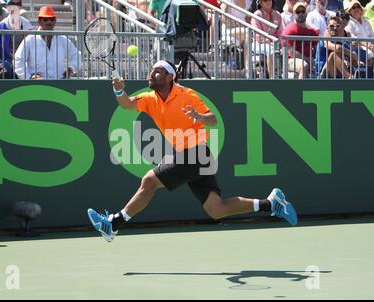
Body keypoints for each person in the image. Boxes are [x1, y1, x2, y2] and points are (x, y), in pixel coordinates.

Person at [87, 60, 298, 242]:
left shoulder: (186, 95)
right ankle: (271, 204)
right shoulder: (150, 98)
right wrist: (118, 90)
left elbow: (213, 119)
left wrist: (199, 116)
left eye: (158, 71)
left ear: (170, 77)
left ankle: (113, 223)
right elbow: (126, 104)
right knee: (217, 209)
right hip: (194, 158)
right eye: (152, 70)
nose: (152, 73)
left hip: (196, 154)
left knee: (149, 181)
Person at [14, 6, 80, 79]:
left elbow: (76, 55)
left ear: (55, 21)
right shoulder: (30, 39)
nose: (49, 22)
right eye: (45, 19)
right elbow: (18, 60)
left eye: (52, 19)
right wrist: (29, 77)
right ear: (39, 21)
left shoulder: (63, 39)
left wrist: (71, 69)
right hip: (36, 85)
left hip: (58, 83)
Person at [281, 2, 319, 78]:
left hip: (310, 60)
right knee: (303, 65)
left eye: (303, 11)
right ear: (294, 14)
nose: (300, 14)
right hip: (290, 60)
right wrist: (309, 60)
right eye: (298, 12)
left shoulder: (313, 31)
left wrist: (317, 60)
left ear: (306, 13)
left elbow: (316, 49)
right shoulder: (289, 30)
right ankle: (299, 89)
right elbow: (291, 52)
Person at [0, 0, 32, 78]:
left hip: (24, 58)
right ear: (7, 7)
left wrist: (21, 58)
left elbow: (30, 46)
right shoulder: (2, 25)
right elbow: (4, 51)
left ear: (21, 6)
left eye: (18, 4)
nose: (15, 7)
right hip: (7, 60)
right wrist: (16, 58)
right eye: (12, 4)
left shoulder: (26, 23)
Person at [251, 0, 283, 78]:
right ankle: (272, 78)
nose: (269, 1)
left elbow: (280, 32)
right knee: (271, 50)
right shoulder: (256, 15)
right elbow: (258, 35)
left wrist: (278, 43)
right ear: (261, 3)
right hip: (259, 44)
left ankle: (282, 75)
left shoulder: (277, 14)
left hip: (274, 43)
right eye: (265, 0)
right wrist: (271, 42)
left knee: (285, 50)